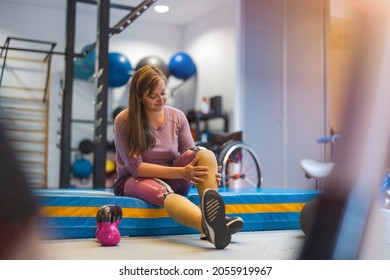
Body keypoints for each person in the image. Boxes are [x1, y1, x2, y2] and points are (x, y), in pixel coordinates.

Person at [113, 65, 243, 249]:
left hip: (176, 176)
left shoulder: (178, 116)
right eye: (153, 96)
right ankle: (207, 226)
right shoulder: (124, 121)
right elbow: (136, 168)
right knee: (164, 192)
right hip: (135, 180)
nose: (161, 100)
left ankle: (215, 218)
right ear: (139, 97)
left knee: (203, 154)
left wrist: (209, 172)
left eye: (163, 93)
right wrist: (182, 172)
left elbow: (191, 152)